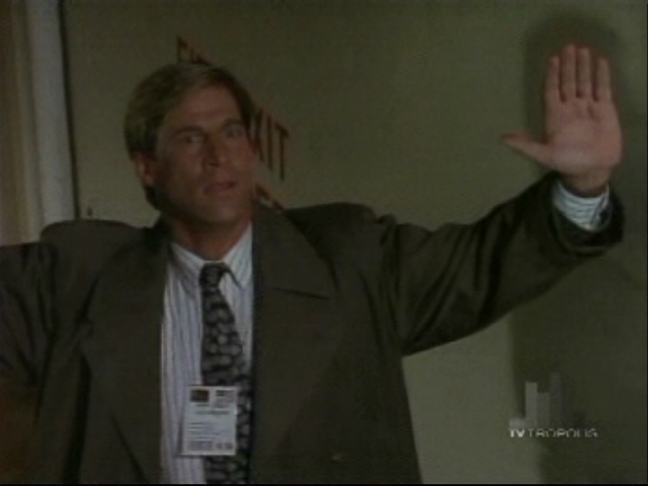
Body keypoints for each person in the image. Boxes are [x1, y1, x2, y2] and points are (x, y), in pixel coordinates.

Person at [0, 43, 624, 483]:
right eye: (191, 139)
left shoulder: (348, 258)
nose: (219, 156)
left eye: (232, 132)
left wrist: (583, 187)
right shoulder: (77, 277)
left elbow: (482, 265)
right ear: (147, 166)